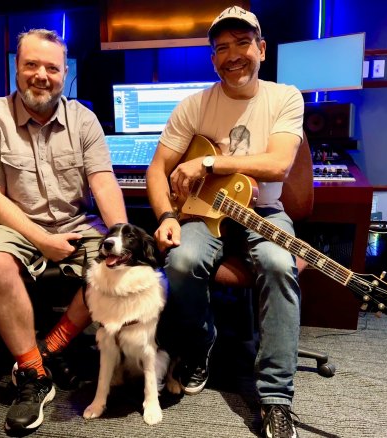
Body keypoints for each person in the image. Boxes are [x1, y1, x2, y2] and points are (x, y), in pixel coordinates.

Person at [146, 6, 304, 438]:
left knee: (278, 264)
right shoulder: (194, 105)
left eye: (242, 43)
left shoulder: (285, 97)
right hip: (204, 212)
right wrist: (165, 216)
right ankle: (200, 347)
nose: (233, 55)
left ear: (262, 49)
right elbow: (157, 169)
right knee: (178, 262)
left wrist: (208, 162)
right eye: (221, 48)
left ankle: (275, 398)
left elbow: (278, 165)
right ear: (213, 59)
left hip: (263, 211)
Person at [0, 29, 127, 431]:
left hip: (75, 222)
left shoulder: (83, 119)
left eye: (51, 68)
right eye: (31, 65)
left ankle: (48, 349)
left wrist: (122, 235)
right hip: (13, 224)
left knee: (117, 266)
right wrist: (41, 240)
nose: (41, 75)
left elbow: (103, 182)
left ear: (64, 72)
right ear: (16, 69)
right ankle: (33, 375)